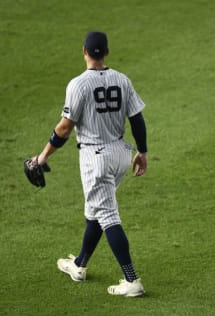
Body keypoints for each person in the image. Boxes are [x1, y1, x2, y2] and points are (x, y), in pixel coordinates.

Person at [31, 31, 148, 297]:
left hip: (96, 159)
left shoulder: (78, 85)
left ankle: (132, 280)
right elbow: (137, 119)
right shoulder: (122, 79)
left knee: (107, 214)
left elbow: (64, 128)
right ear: (106, 52)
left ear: (83, 51)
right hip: (120, 153)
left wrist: (42, 157)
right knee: (96, 207)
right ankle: (80, 264)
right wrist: (142, 151)